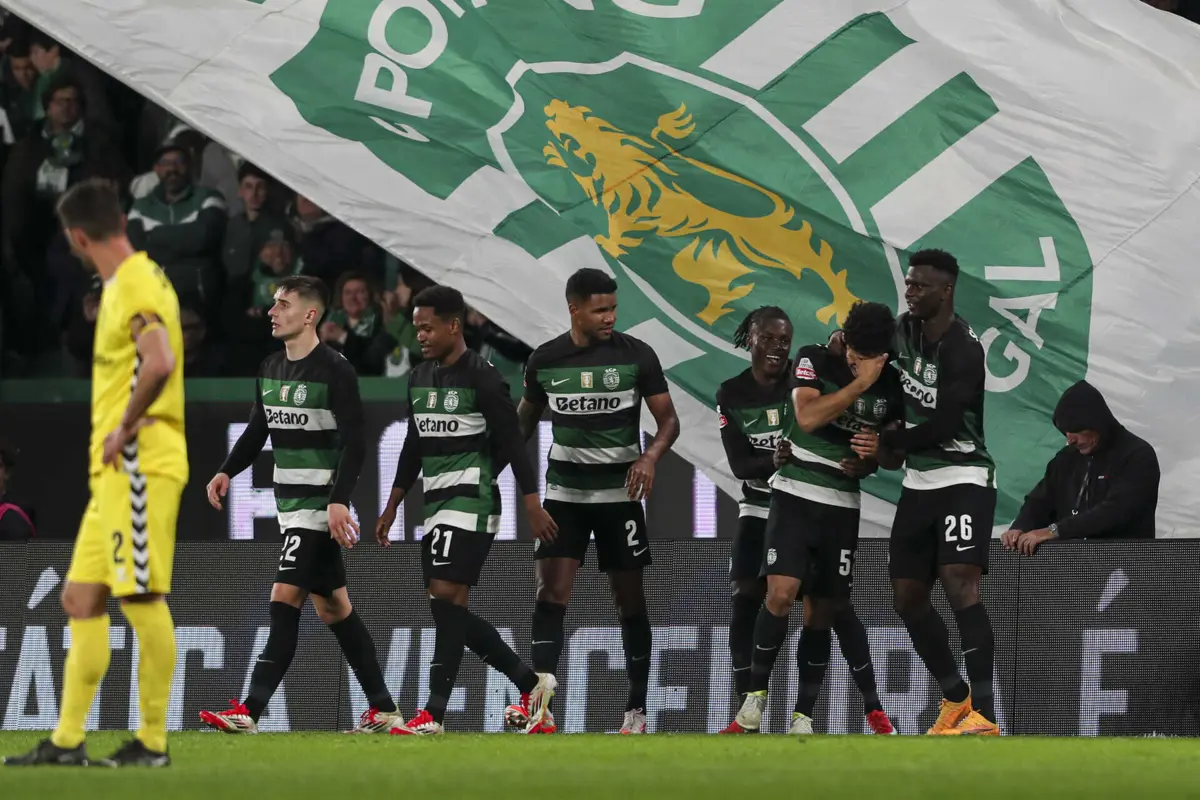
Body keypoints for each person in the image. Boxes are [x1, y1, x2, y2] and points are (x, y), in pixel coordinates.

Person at [5, 178, 187, 767]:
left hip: (139, 463)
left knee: (140, 598)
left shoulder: (132, 283)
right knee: (81, 597)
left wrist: (127, 425)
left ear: (78, 236)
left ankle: (153, 743)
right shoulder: (132, 280)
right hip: (115, 473)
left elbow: (159, 359)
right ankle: (66, 742)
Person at [197, 275, 400, 735]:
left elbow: (357, 444)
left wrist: (338, 502)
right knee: (334, 610)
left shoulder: (335, 370)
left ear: (310, 315)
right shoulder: (270, 367)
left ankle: (249, 710)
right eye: (274, 304)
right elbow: (257, 430)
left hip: (317, 507)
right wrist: (228, 469)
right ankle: (385, 708)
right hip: (291, 506)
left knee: (284, 596)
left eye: (283, 305)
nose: (273, 312)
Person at [375, 286, 558, 735]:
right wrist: (393, 502)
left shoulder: (483, 377)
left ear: (453, 326)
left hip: (472, 499)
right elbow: (414, 443)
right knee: (445, 606)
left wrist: (531, 501)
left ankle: (434, 715)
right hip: (435, 502)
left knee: (444, 597)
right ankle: (532, 685)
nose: (420, 334)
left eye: (427, 326)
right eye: (417, 326)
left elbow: (514, 440)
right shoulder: (418, 378)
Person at [505, 268, 680, 735]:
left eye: (613, 309)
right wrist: (500, 479)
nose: (610, 317)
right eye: (600, 309)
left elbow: (668, 421)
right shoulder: (544, 361)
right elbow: (520, 426)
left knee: (629, 602)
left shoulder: (637, 356)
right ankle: (540, 708)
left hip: (619, 498)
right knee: (550, 594)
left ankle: (636, 712)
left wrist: (649, 457)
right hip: (564, 496)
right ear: (574, 309)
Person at [715, 306, 896, 735]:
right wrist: (861, 381)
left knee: (824, 609)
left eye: (867, 356)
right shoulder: (814, 358)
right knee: (776, 593)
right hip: (794, 492)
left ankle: (804, 717)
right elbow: (809, 417)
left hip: (844, 501)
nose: (856, 361)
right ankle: (753, 703)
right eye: (854, 353)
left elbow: (892, 454)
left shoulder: (891, 381)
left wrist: (872, 458)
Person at [875, 249, 1000, 736]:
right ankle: (954, 698)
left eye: (920, 285)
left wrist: (891, 441)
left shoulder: (964, 347)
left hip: (965, 476)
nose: (910, 292)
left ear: (946, 291)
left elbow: (947, 423)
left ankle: (985, 715)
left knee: (959, 580)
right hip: (918, 483)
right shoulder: (899, 332)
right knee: (906, 597)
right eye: (908, 284)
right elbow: (880, 380)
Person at [1001, 380, 1159, 555]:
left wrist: (1054, 531)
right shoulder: (1066, 458)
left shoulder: (1137, 455)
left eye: (1075, 430)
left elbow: (1116, 511)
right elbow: (1040, 500)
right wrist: (1020, 527)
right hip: (1071, 567)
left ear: (1096, 423)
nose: (1070, 440)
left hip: (1123, 565)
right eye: (1065, 432)